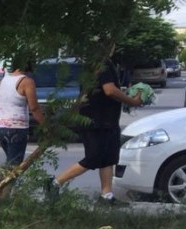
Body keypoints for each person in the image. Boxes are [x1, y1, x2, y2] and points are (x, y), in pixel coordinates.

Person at [49, 60, 143, 204]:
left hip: (108, 120)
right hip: (95, 121)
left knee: (109, 158)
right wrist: (131, 101)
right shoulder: (101, 63)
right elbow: (109, 90)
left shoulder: (102, 63)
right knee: (94, 158)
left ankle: (107, 196)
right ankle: (55, 183)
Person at [0, 61, 45, 166]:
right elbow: (34, 108)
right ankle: (6, 183)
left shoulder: (4, 80)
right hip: (16, 128)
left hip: (0, 127)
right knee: (13, 166)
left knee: (11, 160)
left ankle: (4, 181)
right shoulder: (27, 81)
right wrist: (46, 126)